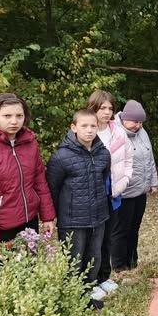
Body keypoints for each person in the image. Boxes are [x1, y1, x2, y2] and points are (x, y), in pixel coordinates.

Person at [0, 93, 56, 274]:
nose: (14, 121)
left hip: (28, 223)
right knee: (1, 279)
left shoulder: (30, 143)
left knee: (29, 273)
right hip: (0, 227)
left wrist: (47, 217)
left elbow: (39, 181)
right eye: (7, 116)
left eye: (19, 115)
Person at [46, 109, 111, 304]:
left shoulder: (103, 153)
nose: (89, 130)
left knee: (94, 257)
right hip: (72, 220)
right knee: (74, 260)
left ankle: (89, 293)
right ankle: (74, 299)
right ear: (73, 127)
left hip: (98, 216)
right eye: (84, 126)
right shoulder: (61, 157)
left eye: (93, 126)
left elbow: (103, 180)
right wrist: (58, 215)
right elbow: (53, 188)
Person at [87, 90, 133, 297]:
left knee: (107, 237)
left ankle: (104, 276)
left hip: (112, 193)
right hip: (91, 195)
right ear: (93, 108)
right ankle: (91, 280)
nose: (106, 112)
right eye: (102, 108)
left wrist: (124, 182)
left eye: (110, 108)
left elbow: (129, 159)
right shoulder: (87, 130)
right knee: (92, 240)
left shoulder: (119, 132)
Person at [112, 100, 158, 272]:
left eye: (141, 122)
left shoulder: (142, 133)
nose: (138, 126)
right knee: (121, 230)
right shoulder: (115, 133)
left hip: (140, 191)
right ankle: (119, 265)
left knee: (134, 227)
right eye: (135, 122)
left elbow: (150, 158)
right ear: (124, 118)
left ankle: (132, 261)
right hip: (123, 193)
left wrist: (153, 181)